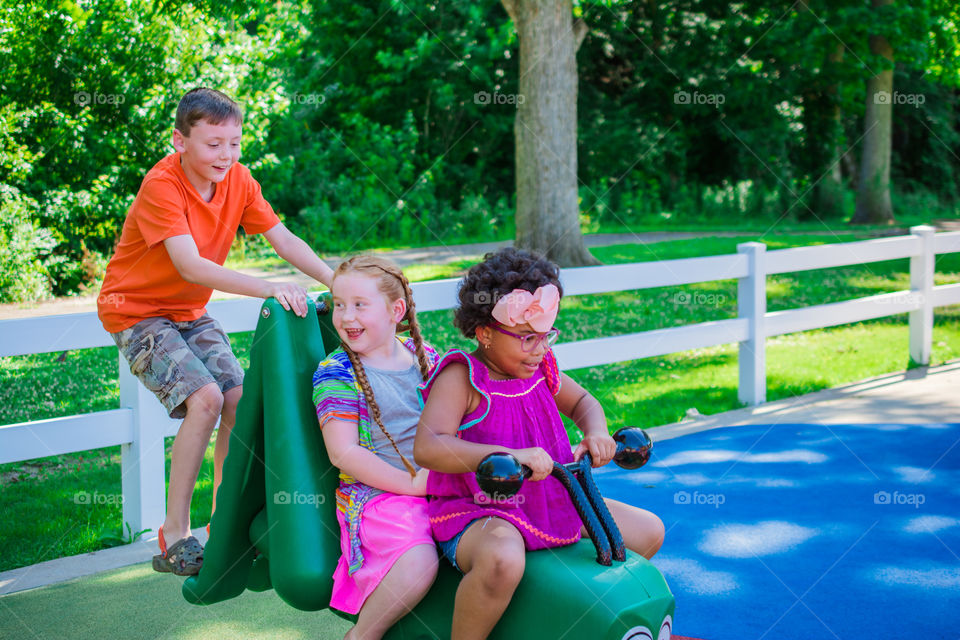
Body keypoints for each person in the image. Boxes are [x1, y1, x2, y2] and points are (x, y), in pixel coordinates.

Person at [97, 87, 334, 576]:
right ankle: (174, 534)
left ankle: (222, 522)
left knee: (238, 399)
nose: (225, 155)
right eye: (212, 144)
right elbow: (189, 265)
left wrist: (340, 283)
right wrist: (268, 287)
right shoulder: (162, 185)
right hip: (136, 312)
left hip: (187, 310)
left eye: (234, 142)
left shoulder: (239, 181)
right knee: (204, 398)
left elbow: (283, 238)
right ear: (180, 141)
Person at [414, 247, 665, 640]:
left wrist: (595, 431)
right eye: (527, 338)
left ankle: (554, 614)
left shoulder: (541, 369)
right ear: (484, 333)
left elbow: (583, 402)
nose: (540, 348)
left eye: (547, 336)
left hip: (552, 499)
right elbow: (428, 448)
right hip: (480, 509)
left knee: (648, 531)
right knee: (502, 558)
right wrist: (507, 456)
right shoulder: (462, 377)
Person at [312, 256, 440, 640]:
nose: (346, 317)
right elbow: (344, 453)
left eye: (359, 305)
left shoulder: (424, 357)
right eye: (339, 304)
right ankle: (365, 634)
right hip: (378, 497)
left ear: (396, 310)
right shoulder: (336, 372)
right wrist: (413, 484)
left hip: (436, 480)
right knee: (420, 559)